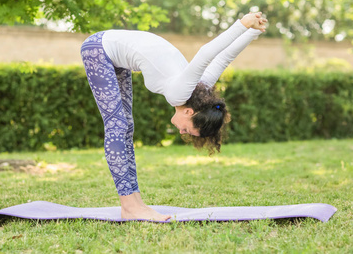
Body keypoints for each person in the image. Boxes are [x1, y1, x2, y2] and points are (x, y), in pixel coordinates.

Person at [80, 12, 267, 221]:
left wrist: (252, 33)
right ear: (189, 112)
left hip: (110, 52)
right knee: (117, 126)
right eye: (186, 129)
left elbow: (224, 58)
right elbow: (206, 53)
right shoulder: (180, 93)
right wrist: (242, 25)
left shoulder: (200, 88)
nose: (181, 131)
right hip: (99, 49)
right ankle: (130, 206)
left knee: (125, 127)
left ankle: (134, 204)